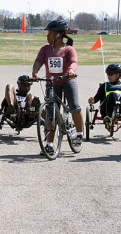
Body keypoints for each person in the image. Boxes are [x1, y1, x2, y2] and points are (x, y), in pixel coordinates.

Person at [32, 19, 84, 156]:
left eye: (50, 33)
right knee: (50, 113)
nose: (47, 36)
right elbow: (38, 61)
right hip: (51, 83)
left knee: (74, 106)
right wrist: (35, 71)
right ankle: (49, 145)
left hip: (67, 80)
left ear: (59, 35)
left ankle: (79, 134)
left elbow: (74, 62)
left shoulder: (68, 49)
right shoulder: (45, 49)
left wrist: (71, 70)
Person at [87, 63, 121, 131]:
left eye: (110, 74)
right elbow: (96, 99)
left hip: (119, 109)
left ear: (117, 75)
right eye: (108, 74)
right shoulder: (104, 85)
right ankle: (108, 119)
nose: (108, 76)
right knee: (112, 94)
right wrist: (91, 100)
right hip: (106, 110)